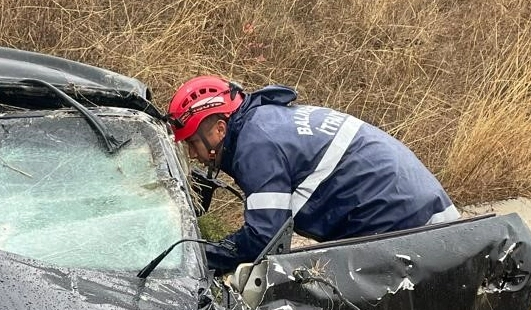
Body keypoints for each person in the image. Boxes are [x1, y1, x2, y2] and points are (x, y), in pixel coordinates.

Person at [167, 76, 461, 273]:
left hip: (403, 223)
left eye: (193, 142)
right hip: (424, 209)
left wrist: (196, 259)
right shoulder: (266, 120)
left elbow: (263, 240)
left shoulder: (256, 146)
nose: (193, 154)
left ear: (220, 128)